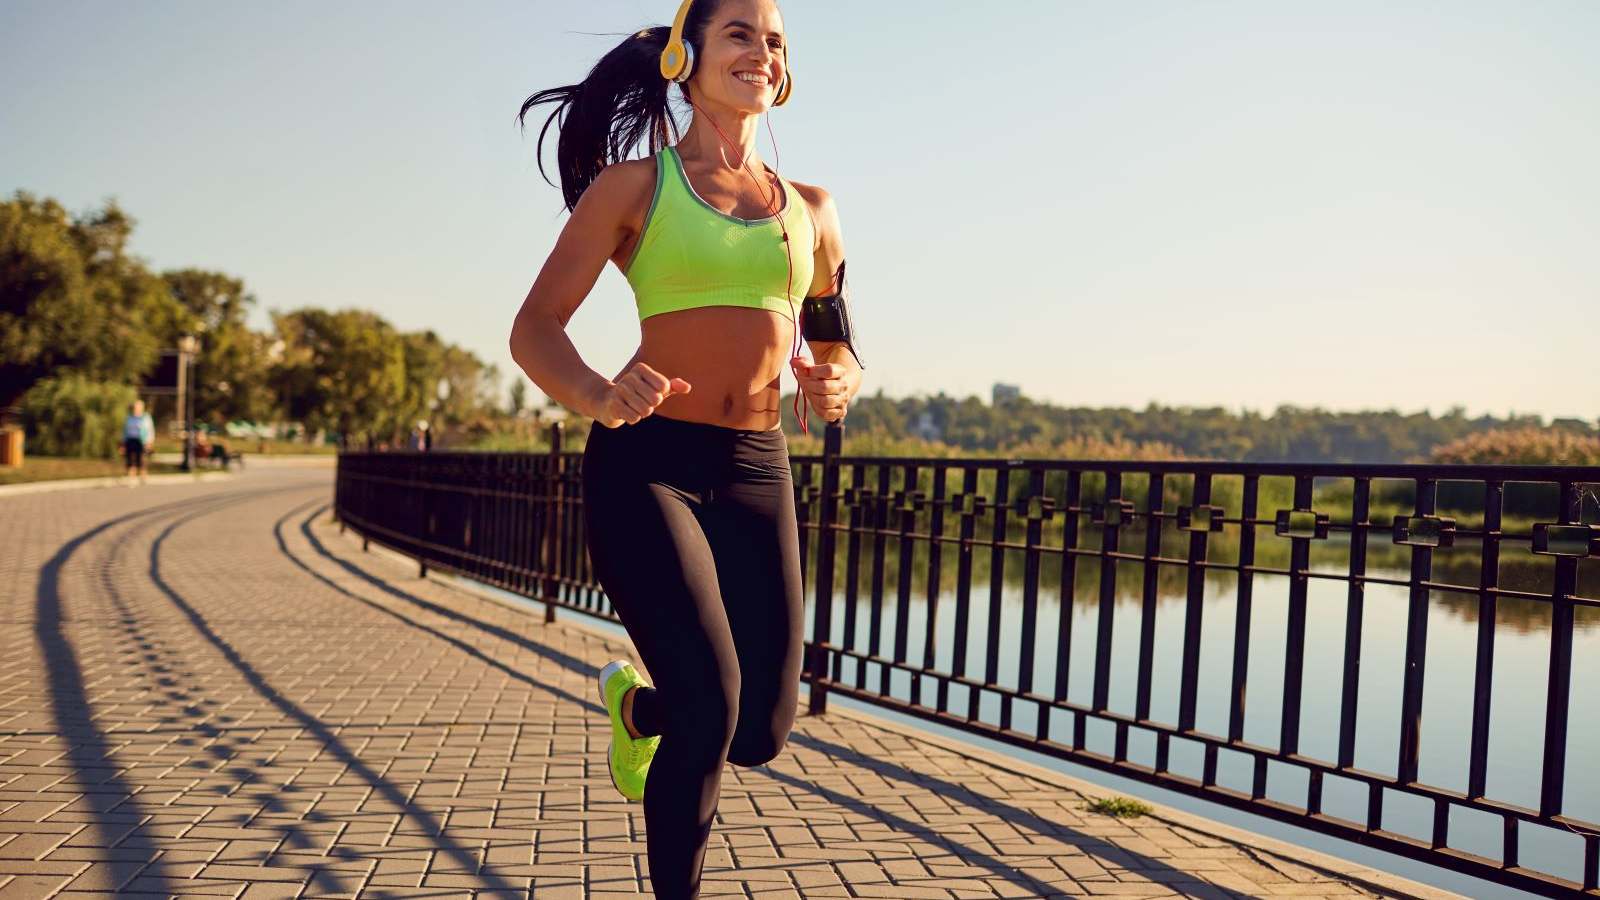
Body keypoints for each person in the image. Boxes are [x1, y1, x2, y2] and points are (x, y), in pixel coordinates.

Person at [508, 2, 864, 896]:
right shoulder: (636, 189)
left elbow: (836, 344)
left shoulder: (812, 214)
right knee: (709, 708)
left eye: (774, 40)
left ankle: (639, 708)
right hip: (649, 463)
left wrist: (837, 381)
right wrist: (597, 392)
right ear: (685, 57)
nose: (761, 49)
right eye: (740, 32)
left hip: (757, 470)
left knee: (762, 730)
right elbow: (535, 329)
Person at [122, 399, 154, 484]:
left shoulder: (145, 417)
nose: (137, 409)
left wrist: (149, 442)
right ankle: (131, 478)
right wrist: (124, 442)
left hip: (142, 440)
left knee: (142, 459)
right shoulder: (129, 417)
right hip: (131, 439)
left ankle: (143, 477)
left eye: (139, 407)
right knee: (131, 459)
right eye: (136, 407)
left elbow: (150, 430)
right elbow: (125, 430)